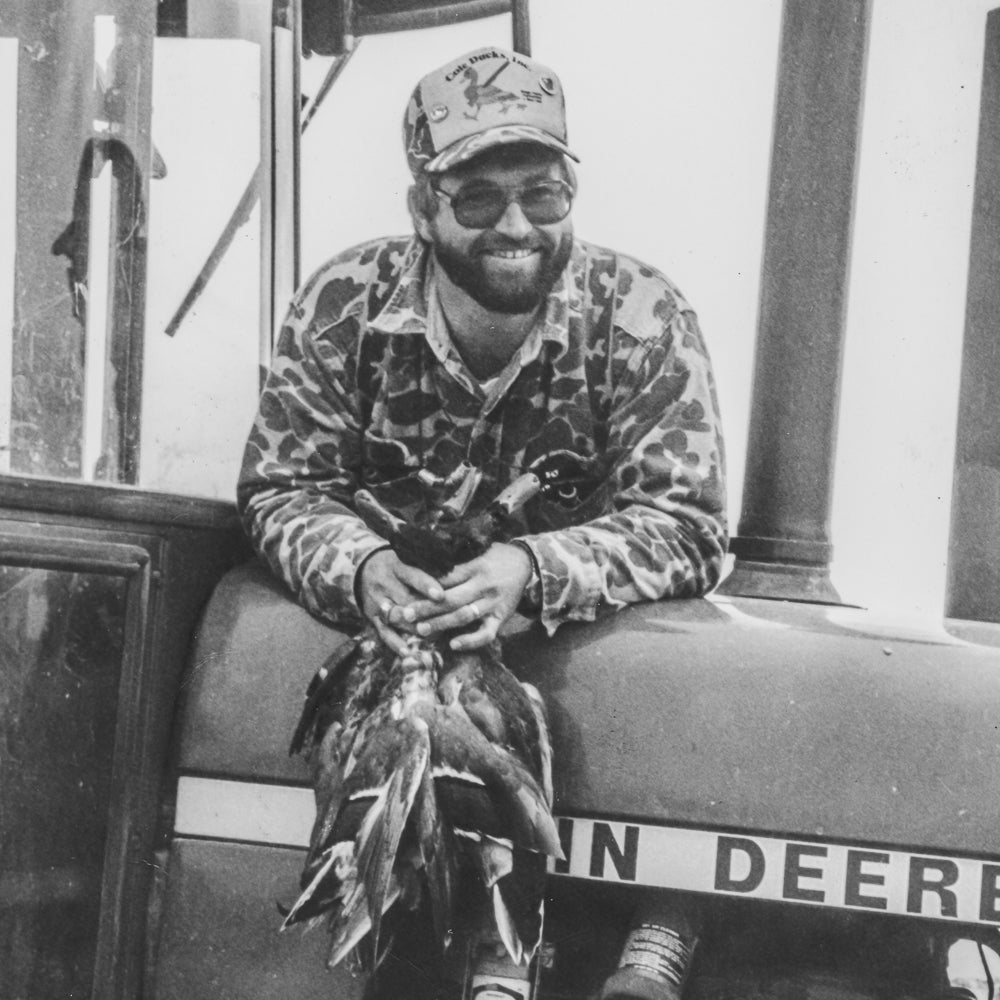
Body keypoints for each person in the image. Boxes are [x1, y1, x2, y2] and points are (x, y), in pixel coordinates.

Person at [238, 45, 727, 1000]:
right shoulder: (343, 307)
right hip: (395, 674)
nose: (516, 226)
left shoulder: (644, 318)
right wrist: (362, 563)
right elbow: (279, 487)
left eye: (543, 196)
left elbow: (692, 523)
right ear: (423, 206)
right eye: (477, 200)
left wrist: (534, 571)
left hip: (574, 678)